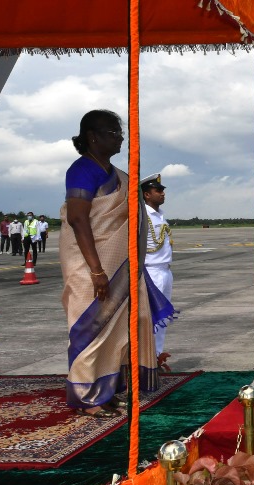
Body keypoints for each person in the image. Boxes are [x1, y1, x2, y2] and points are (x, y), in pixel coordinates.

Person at [60, 109, 161, 418]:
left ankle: (104, 391)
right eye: (114, 133)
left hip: (115, 266)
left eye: (120, 133)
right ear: (93, 137)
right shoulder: (82, 170)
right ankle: (86, 396)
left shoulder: (117, 175)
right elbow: (78, 219)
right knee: (89, 328)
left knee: (116, 330)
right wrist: (96, 270)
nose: (120, 138)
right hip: (88, 264)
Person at [142, 173, 175, 364]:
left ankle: (156, 356)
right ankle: (147, 359)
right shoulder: (143, 215)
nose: (162, 193)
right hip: (151, 271)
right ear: (147, 194)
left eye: (162, 190)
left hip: (165, 270)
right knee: (151, 317)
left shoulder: (160, 215)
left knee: (163, 316)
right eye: (158, 190)